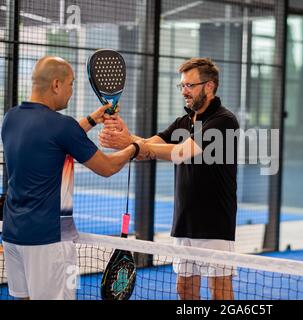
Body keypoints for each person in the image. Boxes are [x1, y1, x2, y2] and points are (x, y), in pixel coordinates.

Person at [0, 56, 144, 300]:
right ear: (56, 84)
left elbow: (51, 139)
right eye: (71, 84)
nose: (71, 91)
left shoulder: (11, 118)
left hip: (13, 237)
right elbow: (107, 167)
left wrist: (92, 119)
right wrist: (136, 147)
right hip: (50, 241)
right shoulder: (62, 126)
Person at [99, 57, 239, 300]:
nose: (184, 91)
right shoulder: (184, 121)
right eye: (182, 85)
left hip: (215, 224)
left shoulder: (224, 121)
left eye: (189, 85)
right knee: (184, 290)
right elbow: (149, 146)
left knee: (220, 292)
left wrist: (130, 145)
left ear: (209, 86)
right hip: (184, 222)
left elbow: (181, 152)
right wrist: (126, 136)